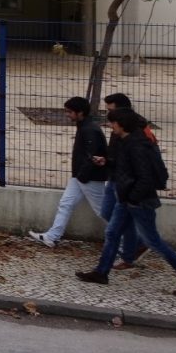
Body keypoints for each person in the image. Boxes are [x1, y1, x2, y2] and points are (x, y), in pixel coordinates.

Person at [76, 109, 176, 297]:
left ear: (121, 124)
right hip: (127, 198)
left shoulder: (137, 145)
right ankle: (101, 273)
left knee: (154, 241)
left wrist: (132, 199)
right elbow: (126, 169)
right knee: (112, 233)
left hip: (138, 201)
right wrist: (107, 163)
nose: (110, 126)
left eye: (112, 123)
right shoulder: (127, 141)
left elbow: (145, 178)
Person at [28, 97, 116, 248]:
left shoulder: (89, 130)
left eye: (69, 112)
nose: (67, 114)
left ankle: (128, 241)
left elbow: (92, 156)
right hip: (82, 176)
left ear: (80, 112)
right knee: (66, 204)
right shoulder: (86, 126)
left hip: (89, 177)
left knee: (103, 211)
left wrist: (82, 176)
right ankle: (52, 236)